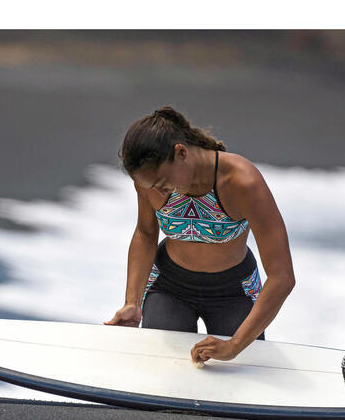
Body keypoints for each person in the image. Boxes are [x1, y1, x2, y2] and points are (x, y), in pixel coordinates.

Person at [105, 106, 295, 365]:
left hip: (234, 290)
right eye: (152, 187)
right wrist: (131, 302)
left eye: (162, 183)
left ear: (181, 153)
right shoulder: (148, 180)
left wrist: (235, 345)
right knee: (163, 371)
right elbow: (146, 232)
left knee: (238, 378)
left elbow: (282, 277)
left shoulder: (243, 182)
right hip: (169, 285)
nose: (159, 191)